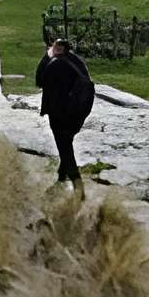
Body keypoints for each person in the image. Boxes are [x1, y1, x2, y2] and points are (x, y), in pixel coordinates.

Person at [36, 35, 95, 187]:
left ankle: (77, 185)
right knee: (67, 143)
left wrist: (47, 56)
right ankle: (62, 176)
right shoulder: (77, 61)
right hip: (79, 113)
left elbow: (39, 80)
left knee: (65, 149)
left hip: (60, 114)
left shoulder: (55, 64)